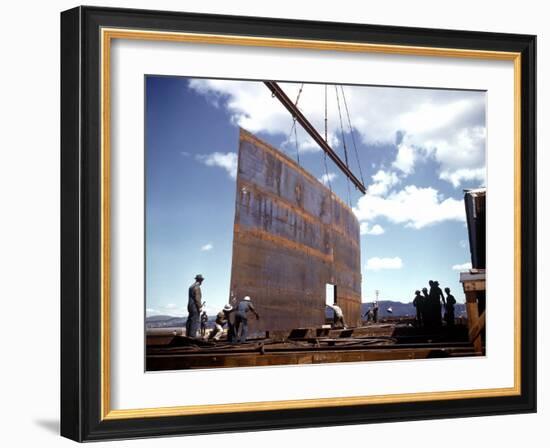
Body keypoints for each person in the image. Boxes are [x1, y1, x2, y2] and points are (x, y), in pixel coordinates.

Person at [185, 274, 204, 338]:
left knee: (190, 320)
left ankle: (188, 334)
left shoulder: (191, 287)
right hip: (195, 306)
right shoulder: (197, 287)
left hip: (189, 306)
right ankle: (192, 336)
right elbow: (197, 298)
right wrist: (200, 307)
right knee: (195, 320)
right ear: (200, 280)